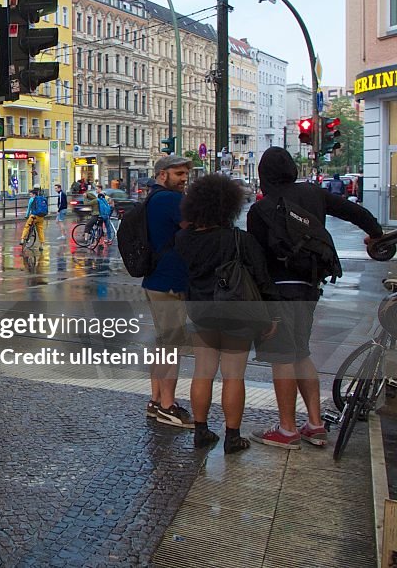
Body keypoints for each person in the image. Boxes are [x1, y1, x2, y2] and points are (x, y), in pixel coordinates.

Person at [246, 147, 384, 448]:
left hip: (278, 291)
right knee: (301, 352)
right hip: (309, 286)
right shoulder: (313, 194)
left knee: (281, 358)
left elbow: (256, 261)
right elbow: (355, 212)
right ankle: (315, 424)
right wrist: (375, 234)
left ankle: (286, 429)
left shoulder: (261, 209)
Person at [176, 175, 279, 454]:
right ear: (229, 207)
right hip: (237, 315)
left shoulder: (184, 239)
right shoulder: (240, 240)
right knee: (234, 376)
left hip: (200, 314)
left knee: (202, 373)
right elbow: (262, 279)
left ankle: (201, 430)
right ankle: (233, 437)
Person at [143, 154, 194, 428]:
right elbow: (194, 229)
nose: (184, 179)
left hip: (156, 280)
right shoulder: (171, 200)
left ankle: (156, 400)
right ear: (162, 174)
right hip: (170, 282)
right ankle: (167, 406)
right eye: (178, 174)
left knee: (163, 344)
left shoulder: (153, 198)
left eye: (186, 174)